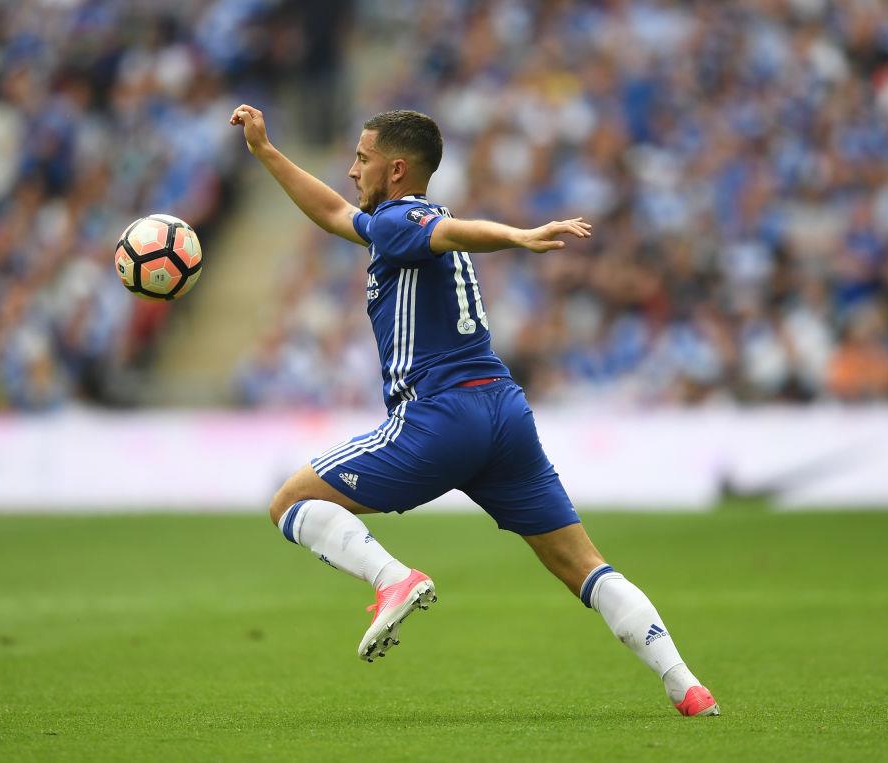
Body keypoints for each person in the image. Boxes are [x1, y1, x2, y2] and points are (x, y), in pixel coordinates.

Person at [229, 104, 720, 717]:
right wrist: (266, 151)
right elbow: (333, 213)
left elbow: (453, 232)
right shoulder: (395, 225)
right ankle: (686, 685)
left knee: (290, 503)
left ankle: (392, 579)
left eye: (362, 158)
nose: (352, 170)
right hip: (503, 413)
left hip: (439, 416)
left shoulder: (404, 219)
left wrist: (517, 236)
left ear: (396, 169)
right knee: (582, 564)